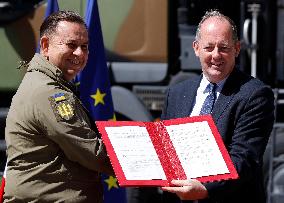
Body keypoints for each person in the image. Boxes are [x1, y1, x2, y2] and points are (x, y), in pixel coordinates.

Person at [160, 10, 275, 203]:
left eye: (223, 47)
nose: (216, 55)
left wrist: (206, 189)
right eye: (209, 47)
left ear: (237, 48)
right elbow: (163, 150)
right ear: (196, 48)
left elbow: (243, 158)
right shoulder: (176, 94)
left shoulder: (255, 95)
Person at [4, 11, 113, 202]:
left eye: (85, 47)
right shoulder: (51, 94)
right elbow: (93, 153)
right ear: (45, 46)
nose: (79, 53)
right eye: (71, 45)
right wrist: (146, 162)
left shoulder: (41, 82)